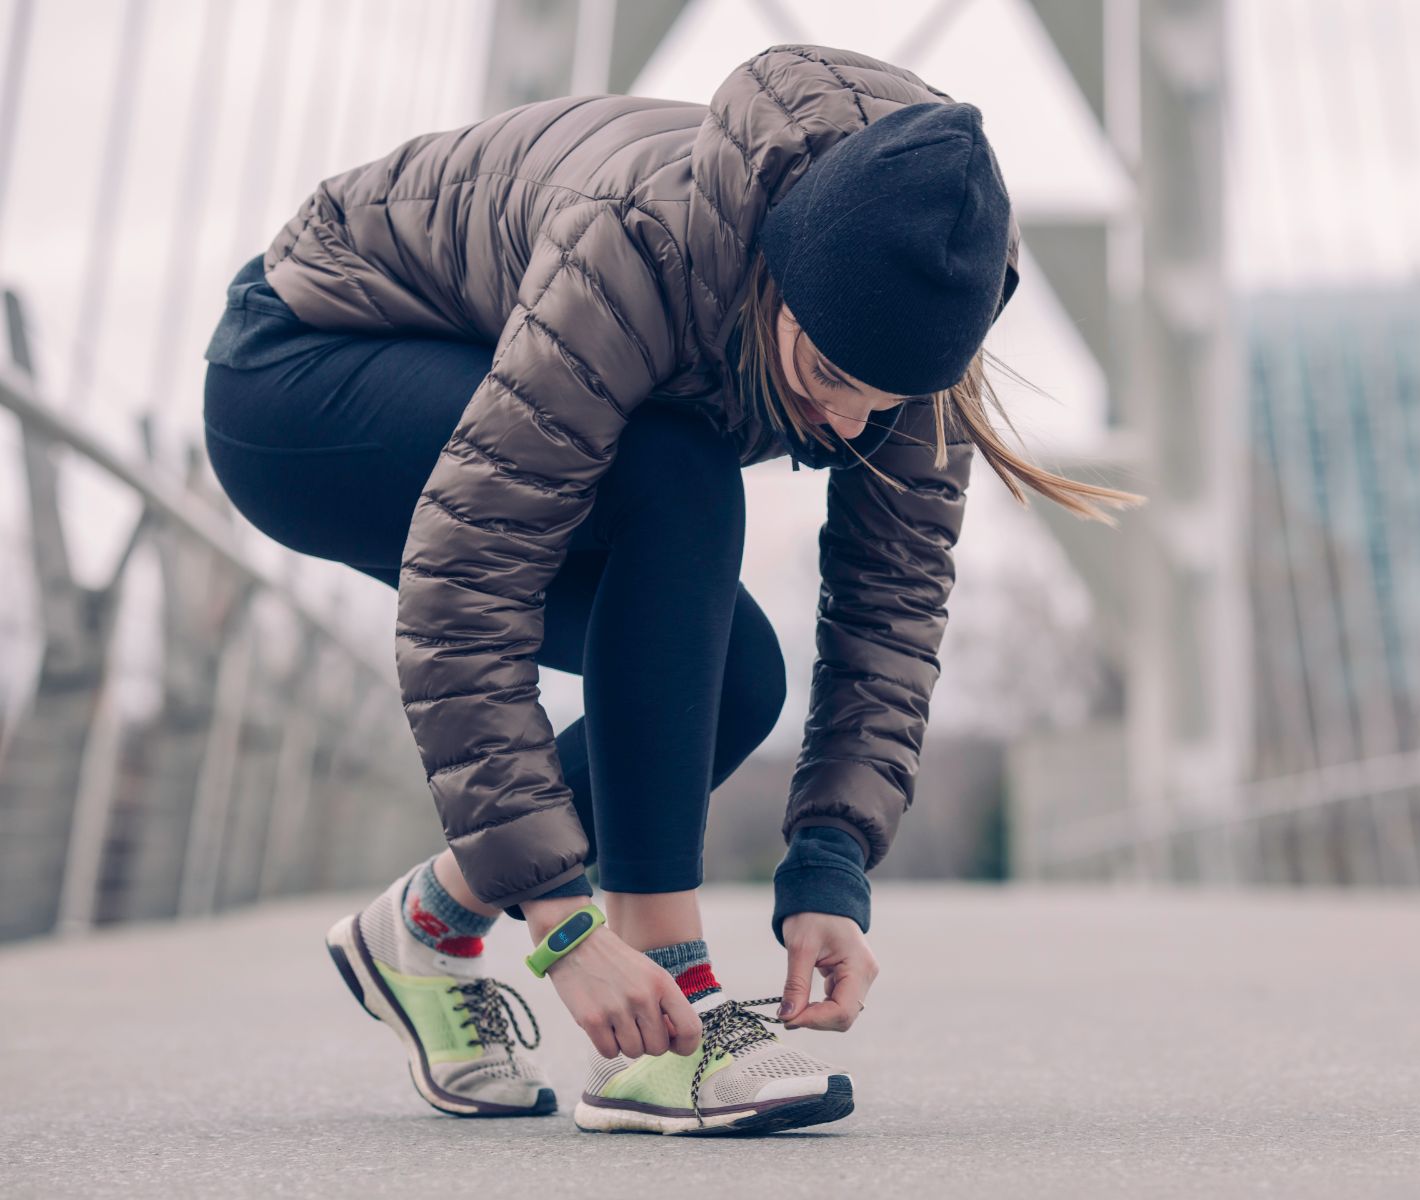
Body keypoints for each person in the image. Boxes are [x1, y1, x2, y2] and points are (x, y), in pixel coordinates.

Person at [199, 42, 1143, 1135]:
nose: (848, 426)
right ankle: (673, 1008)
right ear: (778, 280)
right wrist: (562, 925)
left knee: (731, 680)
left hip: (478, 403)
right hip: (302, 372)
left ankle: (427, 924)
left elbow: (891, 608)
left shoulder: (924, 312)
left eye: (883, 402)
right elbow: (469, 590)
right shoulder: (640, 246)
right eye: (831, 378)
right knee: (676, 469)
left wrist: (831, 865)